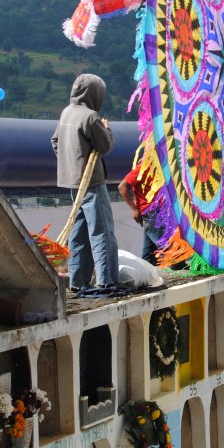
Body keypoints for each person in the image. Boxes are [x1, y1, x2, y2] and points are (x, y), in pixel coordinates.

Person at [52, 73, 119, 292]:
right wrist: (107, 128)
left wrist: (69, 161)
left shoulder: (66, 113)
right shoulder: (91, 117)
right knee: (102, 232)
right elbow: (105, 145)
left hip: (72, 181)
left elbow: (55, 140)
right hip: (91, 181)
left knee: (78, 232)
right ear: (95, 94)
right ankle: (107, 280)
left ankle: (77, 281)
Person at [118, 154, 161, 266]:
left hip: (157, 211)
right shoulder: (143, 167)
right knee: (167, 248)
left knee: (149, 254)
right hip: (151, 212)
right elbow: (122, 186)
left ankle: (146, 272)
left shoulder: (160, 167)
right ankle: (177, 264)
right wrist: (134, 208)